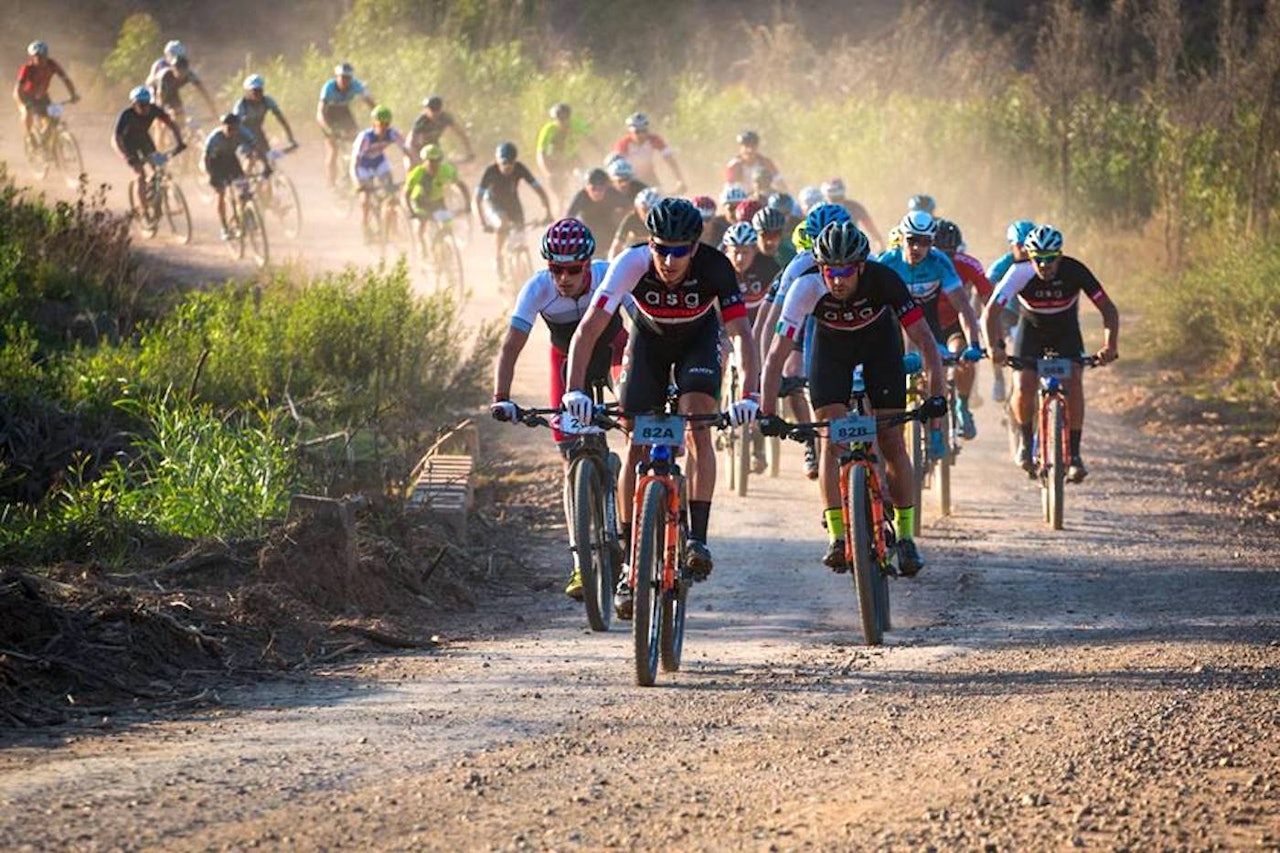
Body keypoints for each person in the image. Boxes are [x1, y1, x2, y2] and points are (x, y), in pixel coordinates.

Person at [562, 198, 761, 616]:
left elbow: (741, 331)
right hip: (649, 341)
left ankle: (697, 540)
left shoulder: (716, 267)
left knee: (696, 423)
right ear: (648, 243)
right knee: (636, 441)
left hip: (698, 341)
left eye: (680, 250)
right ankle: (628, 560)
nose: (669, 260)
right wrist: (574, 391)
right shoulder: (630, 263)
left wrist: (750, 396)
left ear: (695, 245)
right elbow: (588, 330)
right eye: (661, 249)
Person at [758, 222, 948, 575]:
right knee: (832, 440)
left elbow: (925, 342)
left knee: (891, 440)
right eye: (830, 271)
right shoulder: (805, 288)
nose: (838, 280)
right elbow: (775, 355)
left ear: (861, 267)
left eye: (846, 271)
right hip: (831, 354)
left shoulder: (885, 280)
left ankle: (906, 538)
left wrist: (937, 397)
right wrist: (766, 410)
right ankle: (837, 537)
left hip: (880, 350)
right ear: (820, 269)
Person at [491, 219, 627, 599]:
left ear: (588, 264)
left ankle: (640, 519)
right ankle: (580, 565)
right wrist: (501, 396)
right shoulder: (536, 288)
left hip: (614, 350)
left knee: (636, 412)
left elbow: (640, 324)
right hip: (567, 360)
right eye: (556, 270)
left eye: (573, 269)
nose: (564, 278)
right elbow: (510, 346)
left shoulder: (607, 273)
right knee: (570, 457)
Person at [982, 225, 1120, 482]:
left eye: (1050, 258)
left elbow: (1108, 310)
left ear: (1060, 255)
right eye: (1038, 259)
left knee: (1074, 383)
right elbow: (991, 313)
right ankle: (1025, 442)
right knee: (1023, 385)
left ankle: (1075, 456)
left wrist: (1109, 346)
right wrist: (994, 348)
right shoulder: (1019, 272)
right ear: (1029, 257)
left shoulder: (1075, 270)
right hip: (1031, 333)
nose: (1044, 265)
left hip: (1066, 333)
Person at [877, 211, 984, 441]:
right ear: (902, 238)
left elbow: (963, 307)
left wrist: (974, 343)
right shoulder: (887, 262)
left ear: (932, 243)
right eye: (912, 240)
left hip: (928, 325)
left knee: (937, 368)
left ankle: (937, 430)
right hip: (895, 329)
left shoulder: (939, 263)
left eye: (925, 242)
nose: (917, 248)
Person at [933, 218, 994, 439]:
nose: (945, 257)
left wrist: (996, 332)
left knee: (963, 356)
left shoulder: (969, 264)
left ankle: (962, 404)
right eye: (940, 251)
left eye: (951, 252)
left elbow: (990, 299)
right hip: (924, 323)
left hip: (954, 323)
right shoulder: (919, 263)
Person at [475, 142, 554, 275]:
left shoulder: (519, 168)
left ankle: (520, 267)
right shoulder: (490, 171)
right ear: (498, 161)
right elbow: (476, 199)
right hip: (493, 203)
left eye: (511, 162)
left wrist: (548, 212)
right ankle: (498, 258)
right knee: (502, 223)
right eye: (504, 163)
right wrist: (482, 222)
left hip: (512, 203)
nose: (508, 166)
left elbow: (539, 190)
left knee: (520, 234)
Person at [112, 85, 185, 214]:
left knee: (159, 167)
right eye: (141, 105)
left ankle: (159, 196)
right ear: (133, 104)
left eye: (147, 104)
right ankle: (144, 210)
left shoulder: (153, 110)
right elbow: (116, 139)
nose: (145, 108)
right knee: (140, 175)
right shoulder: (126, 115)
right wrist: (126, 156)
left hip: (144, 140)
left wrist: (180, 142)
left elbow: (171, 124)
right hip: (127, 144)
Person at [986, 219, 1036, 403]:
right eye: (1020, 245)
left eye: (1028, 245)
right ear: (1012, 245)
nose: (1024, 250)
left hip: (1031, 312)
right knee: (1001, 342)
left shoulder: (1041, 262)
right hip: (1009, 311)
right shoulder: (1005, 263)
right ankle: (999, 378)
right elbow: (986, 284)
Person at [350, 105, 413, 242]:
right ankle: (365, 227)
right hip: (363, 165)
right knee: (365, 198)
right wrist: (358, 183)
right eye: (380, 124)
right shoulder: (365, 138)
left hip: (379, 162)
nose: (383, 128)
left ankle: (394, 229)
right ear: (374, 124)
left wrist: (414, 169)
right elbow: (354, 163)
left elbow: (407, 151)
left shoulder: (393, 133)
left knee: (391, 195)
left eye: (386, 124)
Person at [316, 62, 376, 189]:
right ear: (336, 77)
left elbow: (370, 102)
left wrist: (378, 117)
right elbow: (320, 113)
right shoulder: (328, 87)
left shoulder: (356, 85)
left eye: (347, 78)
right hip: (328, 115)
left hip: (343, 112)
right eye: (342, 77)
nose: (345, 81)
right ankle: (331, 184)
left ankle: (357, 172)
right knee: (333, 149)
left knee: (360, 141)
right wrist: (328, 131)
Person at [203, 112, 258, 241]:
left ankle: (243, 215)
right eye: (229, 129)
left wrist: (257, 162)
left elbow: (255, 148)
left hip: (231, 159)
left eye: (235, 129)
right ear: (222, 126)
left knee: (244, 189)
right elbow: (205, 158)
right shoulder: (214, 138)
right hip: (215, 162)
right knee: (221, 193)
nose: (232, 132)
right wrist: (210, 175)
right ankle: (224, 227)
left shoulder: (242, 132)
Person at [403, 143, 471, 245]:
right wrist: (411, 211)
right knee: (422, 222)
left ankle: (437, 245)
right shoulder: (417, 173)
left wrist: (467, 203)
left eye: (437, 161)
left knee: (447, 226)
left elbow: (461, 186)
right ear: (424, 161)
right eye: (431, 161)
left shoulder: (447, 170)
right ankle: (421, 245)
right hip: (420, 202)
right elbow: (407, 193)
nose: (434, 164)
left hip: (437, 202)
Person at [13, 41, 78, 143]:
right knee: (27, 112)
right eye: (37, 57)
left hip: (42, 97)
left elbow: (65, 79)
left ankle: (48, 142)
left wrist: (73, 94)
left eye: (43, 56)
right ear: (32, 57)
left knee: (55, 117)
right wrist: (23, 104)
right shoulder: (27, 68)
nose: (41, 59)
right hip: (26, 96)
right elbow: (17, 90)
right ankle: (29, 136)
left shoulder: (52, 64)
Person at [536, 102, 595, 206]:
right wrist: (547, 172)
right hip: (553, 160)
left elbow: (591, 137)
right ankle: (560, 205)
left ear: (569, 118)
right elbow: (541, 154)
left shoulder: (576, 123)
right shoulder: (548, 130)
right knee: (557, 184)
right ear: (554, 120)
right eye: (559, 120)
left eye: (566, 119)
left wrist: (601, 150)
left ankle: (588, 200)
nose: (563, 122)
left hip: (571, 156)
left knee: (587, 176)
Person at [609, 112, 686, 191]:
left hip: (649, 175)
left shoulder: (654, 139)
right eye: (637, 132)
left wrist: (679, 180)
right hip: (629, 177)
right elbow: (614, 167)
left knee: (659, 196)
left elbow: (669, 159)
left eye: (644, 130)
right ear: (630, 132)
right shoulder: (623, 144)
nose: (641, 135)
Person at [565, 168, 627, 257]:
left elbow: (630, 207)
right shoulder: (581, 197)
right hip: (589, 237)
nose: (597, 192)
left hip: (610, 233)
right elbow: (568, 218)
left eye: (601, 189)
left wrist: (622, 215)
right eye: (593, 188)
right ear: (586, 187)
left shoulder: (612, 193)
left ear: (606, 187)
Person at [233, 74, 298, 158]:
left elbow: (281, 119)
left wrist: (290, 138)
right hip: (243, 134)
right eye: (254, 90)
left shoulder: (267, 101)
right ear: (248, 91)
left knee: (269, 158)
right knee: (250, 158)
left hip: (258, 131)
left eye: (259, 90)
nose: (257, 93)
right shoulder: (241, 104)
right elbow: (235, 125)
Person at [821, 177, 885, 253]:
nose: (836, 202)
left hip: (852, 246)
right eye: (833, 199)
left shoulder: (854, 207)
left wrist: (879, 243)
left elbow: (871, 229)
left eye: (838, 198)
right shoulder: (819, 209)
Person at [153, 55, 218, 129]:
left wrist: (213, 110)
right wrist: (161, 114)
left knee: (180, 116)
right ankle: (159, 138)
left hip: (172, 90)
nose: (182, 74)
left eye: (184, 71)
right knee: (161, 119)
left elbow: (204, 92)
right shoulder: (166, 76)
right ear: (173, 69)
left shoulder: (190, 74)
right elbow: (160, 97)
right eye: (179, 71)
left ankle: (178, 133)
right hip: (155, 89)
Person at [408, 95, 475, 164]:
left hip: (433, 146)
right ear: (426, 109)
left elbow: (461, 133)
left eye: (437, 109)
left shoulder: (445, 117)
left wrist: (469, 151)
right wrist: (417, 160)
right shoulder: (421, 121)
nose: (435, 112)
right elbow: (411, 143)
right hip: (417, 148)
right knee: (413, 166)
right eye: (432, 109)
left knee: (442, 167)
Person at [609, 187, 661, 258]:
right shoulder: (631, 219)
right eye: (645, 210)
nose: (648, 214)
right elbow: (616, 245)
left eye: (652, 210)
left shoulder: (664, 219)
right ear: (637, 209)